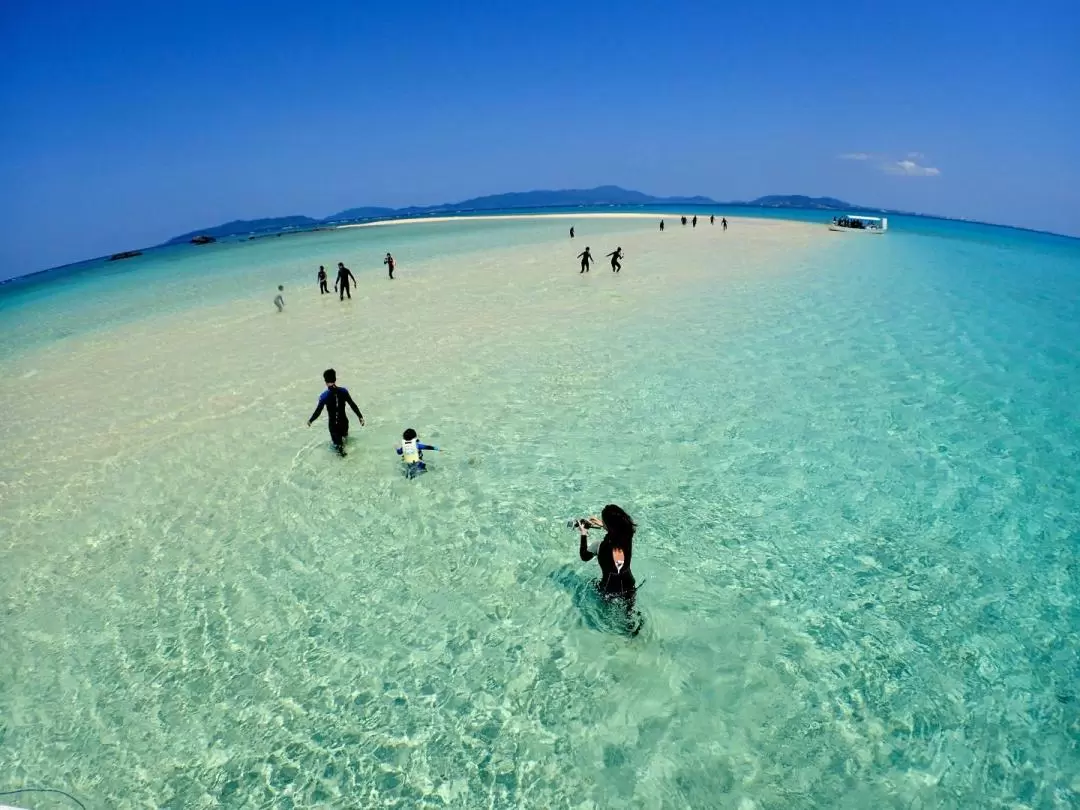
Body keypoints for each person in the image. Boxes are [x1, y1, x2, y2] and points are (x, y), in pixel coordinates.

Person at [576, 504, 638, 602]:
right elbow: (619, 528)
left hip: (609, 589)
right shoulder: (628, 536)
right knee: (630, 614)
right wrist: (603, 524)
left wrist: (583, 533)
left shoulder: (598, 546)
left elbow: (584, 556)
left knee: (591, 583)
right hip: (629, 585)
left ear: (608, 525)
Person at [307, 368, 365, 456]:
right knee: (345, 441)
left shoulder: (324, 396)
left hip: (334, 426)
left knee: (339, 450)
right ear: (335, 379)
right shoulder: (344, 391)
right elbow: (352, 405)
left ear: (325, 381)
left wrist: (310, 420)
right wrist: (360, 417)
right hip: (344, 423)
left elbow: (318, 411)